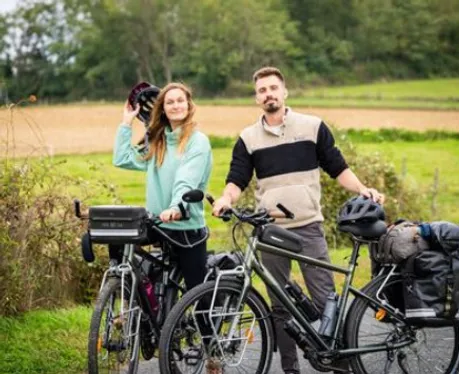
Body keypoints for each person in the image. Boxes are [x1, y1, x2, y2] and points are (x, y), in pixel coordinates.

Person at [212, 66, 384, 374]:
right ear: (256, 98)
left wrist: (362, 189)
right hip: (271, 230)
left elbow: (337, 167)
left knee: (324, 300)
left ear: (284, 91)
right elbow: (237, 177)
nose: (269, 94)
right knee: (280, 306)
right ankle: (290, 370)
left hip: (308, 225)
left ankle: (339, 362)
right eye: (262, 90)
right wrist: (225, 199)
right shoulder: (248, 138)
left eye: (273, 88)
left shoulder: (312, 126)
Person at [113, 82, 212, 292]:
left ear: (188, 105)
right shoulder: (157, 142)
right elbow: (122, 159)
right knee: (118, 241)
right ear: (163, 108)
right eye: (170, 102)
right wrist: (126, 123)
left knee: (198, 294)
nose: (176, 106)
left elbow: (186, 180)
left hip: (186, 227)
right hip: (158, 224)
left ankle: (204, 324)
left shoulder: (197, 142)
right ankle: (140, 309)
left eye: (180, 101)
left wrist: (176, 208)